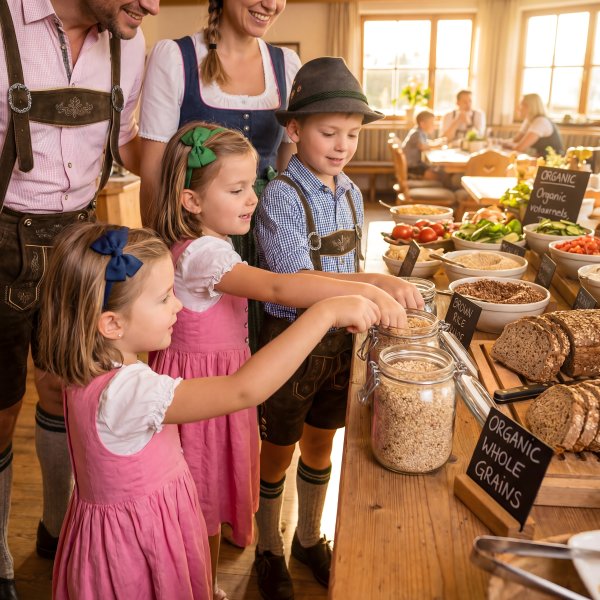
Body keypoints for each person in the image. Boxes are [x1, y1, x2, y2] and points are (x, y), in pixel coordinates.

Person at [35, 222, 382, 600]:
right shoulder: (128, 393)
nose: (178, 306)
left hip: (131, 528)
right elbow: (244, 389)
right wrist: (325, 313)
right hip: (140, 541)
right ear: (112, 323)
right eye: (165, 298)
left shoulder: (86, 372)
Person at [149, 121, 418, 600]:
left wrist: (367, 282)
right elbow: (280, 286)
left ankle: (206, 582)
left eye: (251, 186)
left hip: (210, 381)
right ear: (191, 200)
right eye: (236, 189)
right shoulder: (206, 254)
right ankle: (201, 587)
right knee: (202, 501)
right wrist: (364, 288)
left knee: (204, 502)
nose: (252, 198)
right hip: (208, 390)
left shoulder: (204, 242)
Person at [0, 1, 158, 598]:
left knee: (68, 386)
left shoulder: (129, 41)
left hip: (78, 239)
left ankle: (53, 524)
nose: (152, 5)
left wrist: (198, 159)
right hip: (1, 239)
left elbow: (128, 144)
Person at [253, 57, 425, 600]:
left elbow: (349, 270)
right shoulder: (281, 195)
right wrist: (365, 291)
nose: (342, 144)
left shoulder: (351, 192)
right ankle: (267, 547)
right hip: (291, 347)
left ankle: (308, 537)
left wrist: (382, 281)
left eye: (351, 134)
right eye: (329, 132)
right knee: (278, 450)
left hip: (341, 349)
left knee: (323, 444)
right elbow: (291, 278)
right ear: (295, 129)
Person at [139, 0, 301, 352]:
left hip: (271, 238)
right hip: (196, 239)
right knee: (203, 352)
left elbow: (291, 172)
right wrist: (157, 270)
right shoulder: (174, 58)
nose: (271, 4)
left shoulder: (287, 66)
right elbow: (154, 175)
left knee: (268, 353)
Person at [402, 109, 446, 180]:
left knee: (440, 172)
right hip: (412, 168)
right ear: (422, 124)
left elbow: (426, 143)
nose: (434, 125)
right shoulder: (416, 133)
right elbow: (422, 146)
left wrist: (436, 142)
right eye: (432, 123)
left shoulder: (420, 132)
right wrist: (437, 145)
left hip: (416, 165)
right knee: (440, 177)